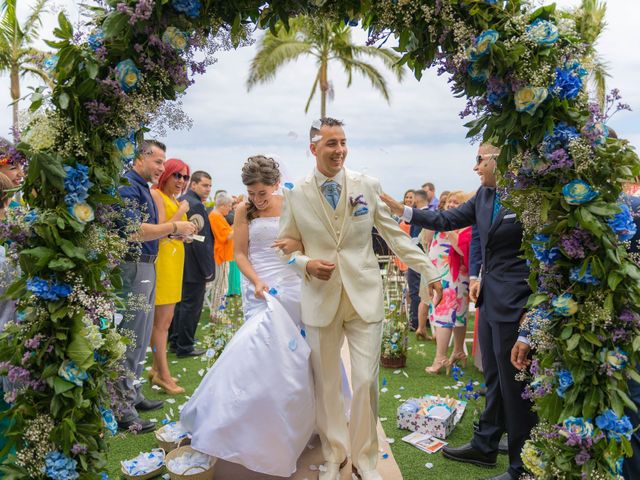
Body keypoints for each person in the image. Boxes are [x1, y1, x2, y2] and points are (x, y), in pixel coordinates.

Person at [278, 118, 443, 480]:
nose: (339, 150)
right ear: (314, 148)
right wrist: (305, 264)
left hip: (365, 295)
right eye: (331, 144)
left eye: (343, 142)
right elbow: (285, 248)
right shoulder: (295, 192)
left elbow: (395, 236)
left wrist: (429, 270)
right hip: (321, 299)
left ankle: (366, 462)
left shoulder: (366, 185)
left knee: (366, 382)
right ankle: (335, 457)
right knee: (327, 386)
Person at [381, 143, 537, 480]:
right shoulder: (483, 195)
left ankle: (522, 467)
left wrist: (533, 313)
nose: (475, 167)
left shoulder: (530, 196)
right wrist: (403, 210)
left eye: (480, 159)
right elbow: (446, 218)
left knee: (515, 387)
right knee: (494, 379)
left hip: (517, 305)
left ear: (502, 158)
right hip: (489, 300)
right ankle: (484, 445)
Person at [180, 156, 316, 477]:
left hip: (293, 283)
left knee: (296, 359)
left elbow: (309, 242)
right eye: (252, 193)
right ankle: (237, 424)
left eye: (263, 192)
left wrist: (295, 244)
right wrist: (255, 281)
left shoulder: (293, 203)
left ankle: (294, 423)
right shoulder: (244, 210)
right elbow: (240, 252)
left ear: (275, 184)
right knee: (256, 347)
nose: (257, 199)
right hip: (260, 286)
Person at [116, 141, 196, 432]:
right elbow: (134, 230)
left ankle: (133, 394)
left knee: (140, 334)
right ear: (140, 158)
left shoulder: (140, 187)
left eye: (164, 163)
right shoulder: (128, 187)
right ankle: (122, 409)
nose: (162, 168)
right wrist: (174, 227)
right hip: (135, 266)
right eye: (158, 161)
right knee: (131, 336)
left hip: (148, 266)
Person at [149, 158, 191, 395]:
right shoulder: (157, 196)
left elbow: (176, 233)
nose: (181, 181)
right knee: (161, 325)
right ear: (167, 174)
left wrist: (187, 233)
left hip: (176, 260)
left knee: (166, 321)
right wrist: (182, 212)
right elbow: (162, 231)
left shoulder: (175, 199)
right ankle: (163, 375)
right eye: (177, 175)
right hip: (163, 261)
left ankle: (156, 370)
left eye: (185, 177)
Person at [424, 190, 472, 374]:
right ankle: (459, 351)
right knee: (456, 316)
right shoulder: (441, 221)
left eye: (456, 203)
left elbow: (463, 251)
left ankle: (440, 358)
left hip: (453, 279)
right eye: (450, 202)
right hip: (439, 276)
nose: (451, 205)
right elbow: (428, 240)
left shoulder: (465, 227)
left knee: (446, 317)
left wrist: (450, 230)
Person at [170, 171, 215, 358]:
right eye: (205, 185)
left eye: (210, 186)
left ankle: (177, 340)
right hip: (194, 264)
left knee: (181, 304)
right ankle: (185, 346)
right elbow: (200, 240)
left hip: (183, 260)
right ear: (194, 185)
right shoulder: (195, 204)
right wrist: (208, 270)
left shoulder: (183, 200)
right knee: (191, 305)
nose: (208, 189)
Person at [208, 191, 235, 314]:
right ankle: (217, 313)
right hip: (221, 255)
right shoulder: (216, 216)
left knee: (221, 285)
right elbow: (226, 236)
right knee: (221, 286)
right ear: (223, 205)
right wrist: (239, 226)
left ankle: (218, 311)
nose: (230, 209)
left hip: (223, 255)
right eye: (229, 206)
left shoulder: (218, 216)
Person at [407, 189, 430, 331]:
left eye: (412, 198)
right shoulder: (428, 213)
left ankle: (415, 322)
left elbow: (416, 239)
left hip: (418, 258)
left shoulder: (421, 215)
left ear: (417, 199)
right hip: (422, 257)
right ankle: (420, 320)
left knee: (415, 291)